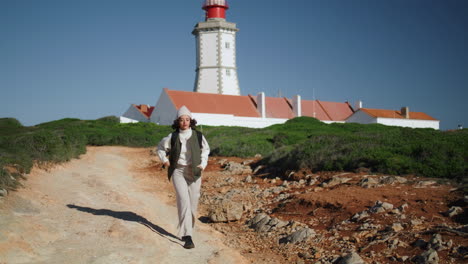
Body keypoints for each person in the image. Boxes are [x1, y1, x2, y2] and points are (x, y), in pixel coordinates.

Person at [157, 106, 210, 249]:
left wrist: (203, 164)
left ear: (191, 121)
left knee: (193, 202)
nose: (185, 122)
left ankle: (189, 228)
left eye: (187, 119)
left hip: (194, 171)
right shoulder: (172, 136)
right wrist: (165, 160)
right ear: (177, 122)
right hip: (178, 171)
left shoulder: (198, 136)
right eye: (182, 120)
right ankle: (188, 236)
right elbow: (161, 148)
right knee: (183, 200)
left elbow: (205, 150)